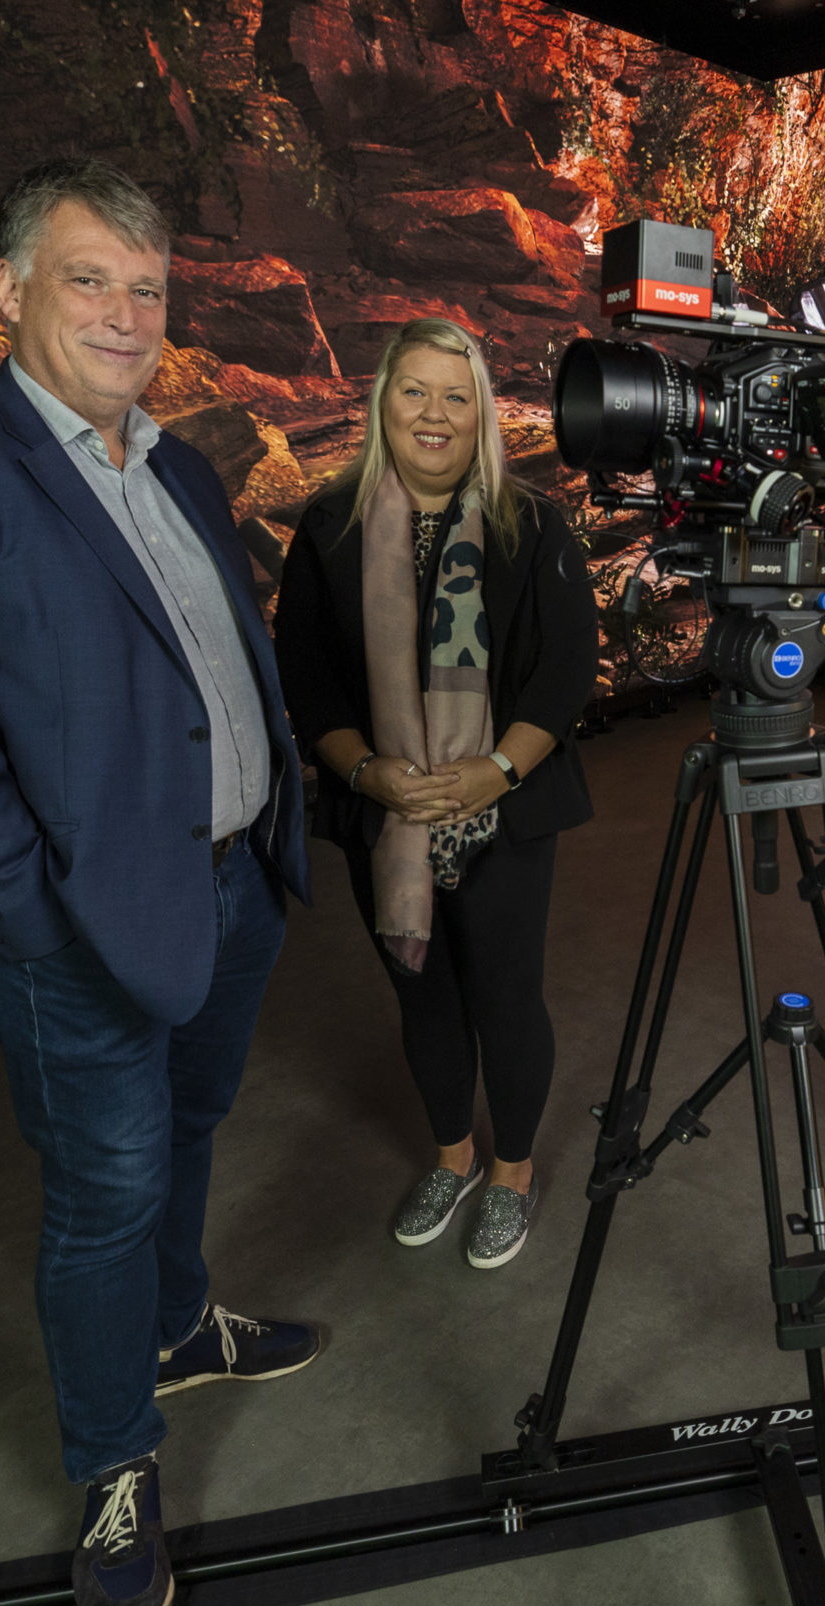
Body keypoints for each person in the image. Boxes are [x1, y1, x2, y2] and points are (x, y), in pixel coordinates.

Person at [0, 158, 323, 1606]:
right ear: (8, 289)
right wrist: (37, 914)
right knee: (102, 1197)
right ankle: (115, 1464)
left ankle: (180, 1324)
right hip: (85, 925)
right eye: (91, 278)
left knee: (188, 1125)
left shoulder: (172, 461)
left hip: (233, 888)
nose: (125, 311)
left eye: (149, 286)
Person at [274, 318, 600, 1271]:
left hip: (508, 802)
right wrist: (369, 772)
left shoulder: (529, 522)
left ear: (482, 416)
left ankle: (510, 1172)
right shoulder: (329, 526)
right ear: (383, 402)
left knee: (505, 996)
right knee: (425, 1000)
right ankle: (452, 1158)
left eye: (456, 397)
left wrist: (494, 770)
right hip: (381, 810)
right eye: (414, 391)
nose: (433, 413)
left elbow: (567, 669)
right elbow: (307, 677)